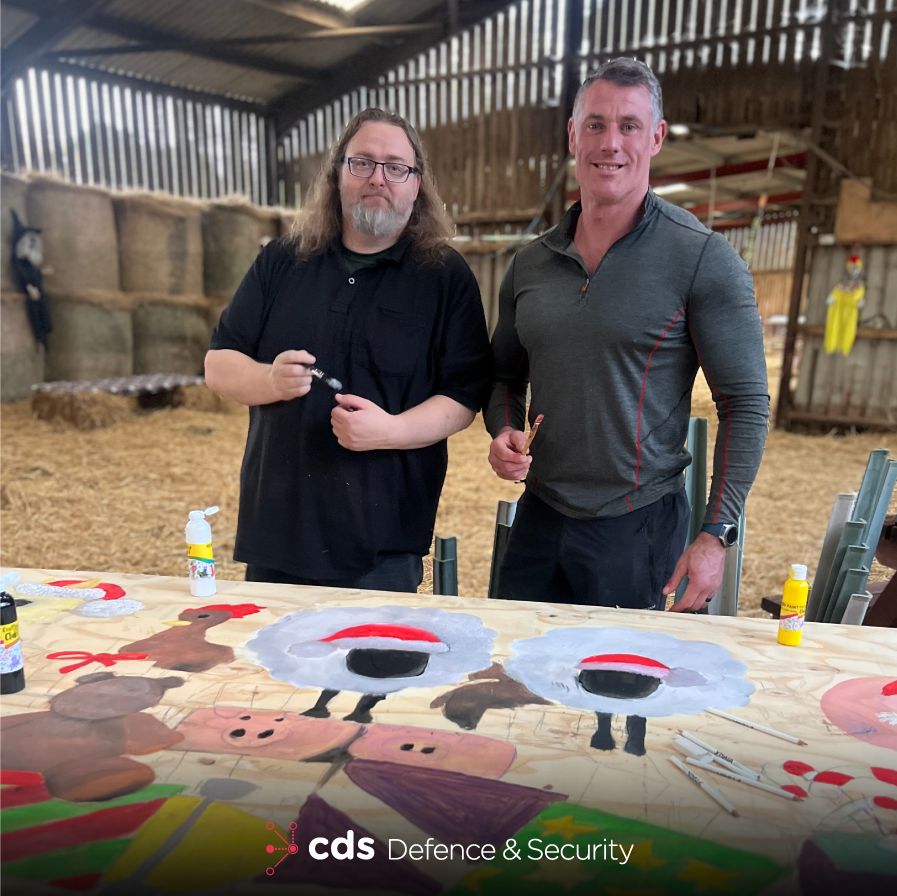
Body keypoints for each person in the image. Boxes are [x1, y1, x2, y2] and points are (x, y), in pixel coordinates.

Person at [485, 58, 769, 613]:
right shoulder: (531, 264)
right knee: (517, 682)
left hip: (637, 526)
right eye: (595, 124)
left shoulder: (701, 258)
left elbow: (746, 402)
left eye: (629, 125)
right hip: (540, 515)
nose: (609, 142)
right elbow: (502, 373)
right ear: (572, 134)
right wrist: (502, 430)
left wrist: (716, 536)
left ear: (656, 137)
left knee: (620, 690)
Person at [205, 108, 491, 592]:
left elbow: (463, 398)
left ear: (416, 184)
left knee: (372, 666)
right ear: (338, 174)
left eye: (396, 167)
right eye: (363, 162)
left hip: (381, 545)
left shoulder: (444, 277)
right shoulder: (283, 260)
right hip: (278, 534)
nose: (379, 178)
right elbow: (218, 364)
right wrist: (269, 381)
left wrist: (392, 430)